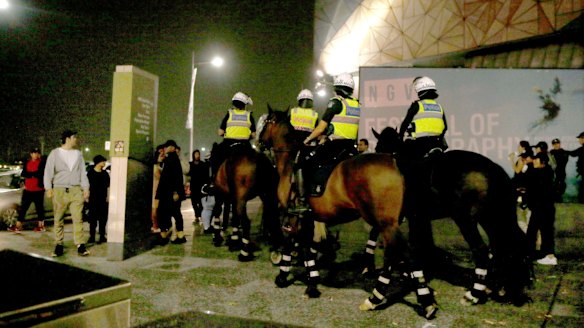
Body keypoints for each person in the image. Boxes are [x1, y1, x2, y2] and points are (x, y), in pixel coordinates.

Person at [303, 73, 360, 194]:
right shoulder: (356, 104)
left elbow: (320, 128)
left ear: (336, 89)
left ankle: (313, 192)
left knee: (309, 161)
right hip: (351, 147)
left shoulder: (336, 102)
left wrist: (307, 140)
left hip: (335, 146)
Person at [44, 129, 90, 257]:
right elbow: (48, 171)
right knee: (58, 218)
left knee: (78, 218)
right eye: (74, 137)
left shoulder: (78, 154)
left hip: (76, 190)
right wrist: (48, 188)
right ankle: (59, 244)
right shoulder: (55, 153)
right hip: (60, 190)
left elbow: (82, 173)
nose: (76, 139)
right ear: (68, 139)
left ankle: (80, 244)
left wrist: (85, 188)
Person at [399, 76, 448, 159]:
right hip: (437, 144)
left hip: (420, 145)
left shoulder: (417, 105)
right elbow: (445, 127)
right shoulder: (439, 107)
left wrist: (400, 137)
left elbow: (405, 124)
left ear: (419, 91)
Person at [211, 92, 256, 179]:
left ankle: (213, 179)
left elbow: (220, 132)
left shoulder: (229, 114)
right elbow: (254, 134)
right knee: (257, 161)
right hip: (245, 145)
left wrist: (227, 133)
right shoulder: (249, 115)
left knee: (215, 155)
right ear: (245, 104)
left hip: (228, 144)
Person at [525, 152, 557, 265]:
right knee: (534, 231)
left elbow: (534, 188)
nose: (534, 161)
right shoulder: (546, 171)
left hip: (542, 208)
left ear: (542, 162)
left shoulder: (542, 173)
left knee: (543, 231)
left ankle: (549, 256)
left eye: (536, 160)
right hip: (542, 207)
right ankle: (533, 253)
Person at [289, 89, 319, 207]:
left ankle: (300, 198)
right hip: (309, 147)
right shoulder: (314, 114)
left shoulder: (293, 111)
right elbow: (318, 131)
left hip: (294, 147)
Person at [156, 140, 187, 244]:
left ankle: (167, 236)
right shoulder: (170, 158)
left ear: (173, 148)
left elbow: (176, 177)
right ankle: (177, 235)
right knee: (171, 213)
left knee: (169, 213)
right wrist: (160, 161)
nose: (165, 148)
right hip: (168, 192)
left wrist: (175, 192)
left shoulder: (172, 159)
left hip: (170, 193)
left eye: (167, 146)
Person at [8, 148, 46, 233]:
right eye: (33, 153)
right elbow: (23, 174)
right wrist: (32, 175)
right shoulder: (27, 163)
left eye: (36, 153)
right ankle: (18, 226)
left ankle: (41, 226)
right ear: (31, 154)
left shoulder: (42, 163)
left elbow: (40, 173)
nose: (35, 155)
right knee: (23, 208)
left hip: (38, 189)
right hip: (28, 189)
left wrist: (30, 174)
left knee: (39, 208)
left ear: (39, 154)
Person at [87, 154, 110, 244]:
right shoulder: (90, 173)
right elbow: (87, 186)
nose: (104, 163)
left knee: (103, 219)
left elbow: (108, 186)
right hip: (93, 199)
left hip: (103, 199)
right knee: (92, 219)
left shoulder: (105, 174)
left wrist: (108, 197)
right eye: (103, 161)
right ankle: (92, 236)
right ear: (98, 162)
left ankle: (102, 236)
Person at [188, 149, 210, 225]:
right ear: (193, 155)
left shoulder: (202, 164)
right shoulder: (190, 164)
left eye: (198, 154)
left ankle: (199, 215)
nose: (197, 155)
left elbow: (206, 173)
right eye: (196, 154)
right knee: (193, 202)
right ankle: (197, 215)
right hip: (193, 185)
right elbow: (188, 174)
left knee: (201, 202)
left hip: (200, 186)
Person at [151, 145, 165, 233]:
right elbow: (160, 178)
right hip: (156, 191)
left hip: (157, 190)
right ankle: (155, 226)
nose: (162, 157)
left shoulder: (159, 167)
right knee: (155, 209)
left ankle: (155, 225)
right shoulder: (156, 167)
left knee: (156, 209)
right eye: (160, 156)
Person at [550, 138, 569, 202]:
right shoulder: (551, 152)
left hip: (561, 173)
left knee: (560, 187)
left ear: (559, 144)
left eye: (557, 143)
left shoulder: (563, 152)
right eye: (554, 144)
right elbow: (550, 163)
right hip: (552, 173)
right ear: (552, 145)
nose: (556, 145)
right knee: (553, 187)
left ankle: (558, 199)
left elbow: (563, 162)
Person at [569, 131, 584, 203]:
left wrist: (563, 152)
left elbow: (573, 153)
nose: (579, 140)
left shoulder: (582, 149)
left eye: (580, 138)